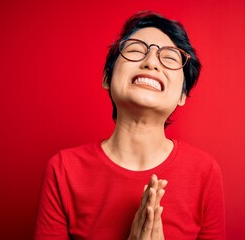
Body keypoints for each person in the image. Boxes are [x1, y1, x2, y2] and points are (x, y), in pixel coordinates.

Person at [34, 11, 226, 240]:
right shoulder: (63, 170)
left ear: (182, 95)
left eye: (170, 58)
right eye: (136, 50)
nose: (151, 62)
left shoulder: (205, 172)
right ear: (107, 77)